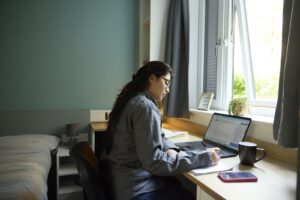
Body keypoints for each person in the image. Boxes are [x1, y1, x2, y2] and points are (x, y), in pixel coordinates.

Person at [102, 61, 220, 200]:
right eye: (166, 82)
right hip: (133, 188)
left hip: (118, 179)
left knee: (176, 183)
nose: (168, 89)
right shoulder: (145, 107)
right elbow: (154, 163)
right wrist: (203, 157)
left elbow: (152, 137)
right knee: (188, 195)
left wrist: (171, 148)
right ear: (152, 78)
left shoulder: (132, 99)